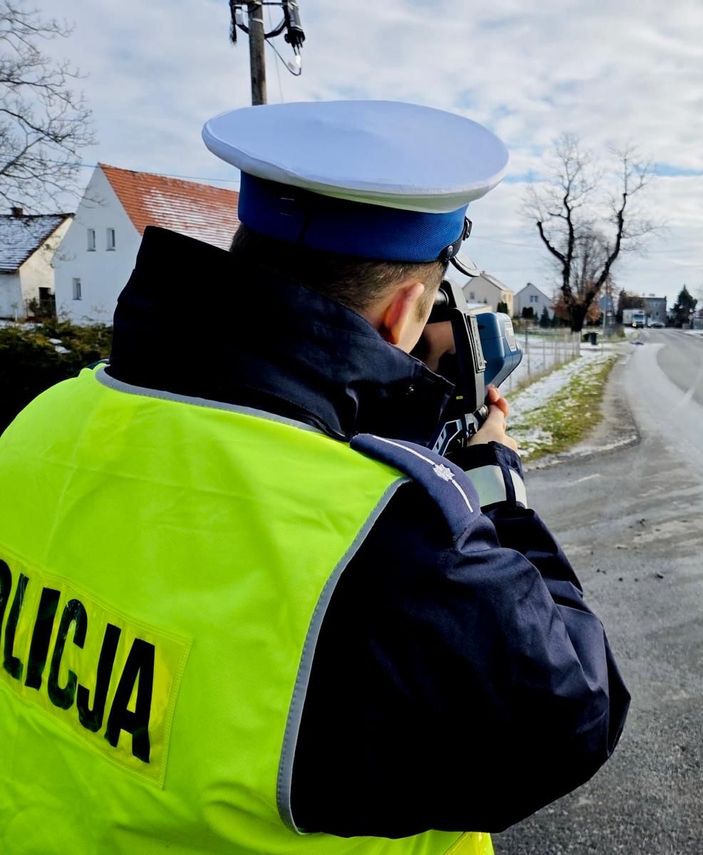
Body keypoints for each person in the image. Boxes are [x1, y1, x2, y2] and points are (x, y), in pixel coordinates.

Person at [0, 100, 628, 853]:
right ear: (404, 313)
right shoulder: (391, 543)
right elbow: (575, 711)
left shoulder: (37, 425)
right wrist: (491, 477)